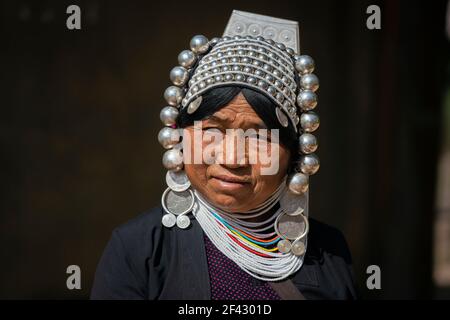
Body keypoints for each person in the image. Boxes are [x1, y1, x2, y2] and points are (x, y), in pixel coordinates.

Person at [91, 10, 357, 300]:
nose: (232, 159)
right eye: (213, 130)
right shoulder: (139, 249)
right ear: (180, 136)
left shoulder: (328, 252)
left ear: (294, 154)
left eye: (259, 136)